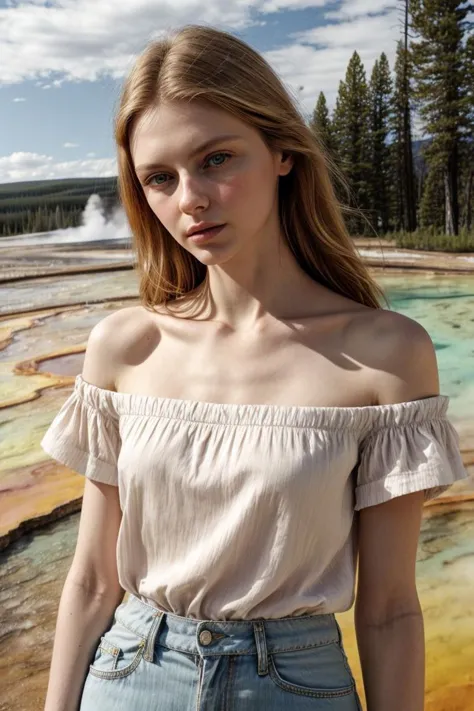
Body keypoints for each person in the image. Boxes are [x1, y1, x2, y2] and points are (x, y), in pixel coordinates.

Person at [40, 24, 468, 711]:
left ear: (282, 154)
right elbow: (92, 580)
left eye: (216, 159)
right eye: (160, 177)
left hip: (297, 687)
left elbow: (389, 608)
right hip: (129, 678)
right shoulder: (124, 347)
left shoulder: (387, 357)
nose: (190, 199)